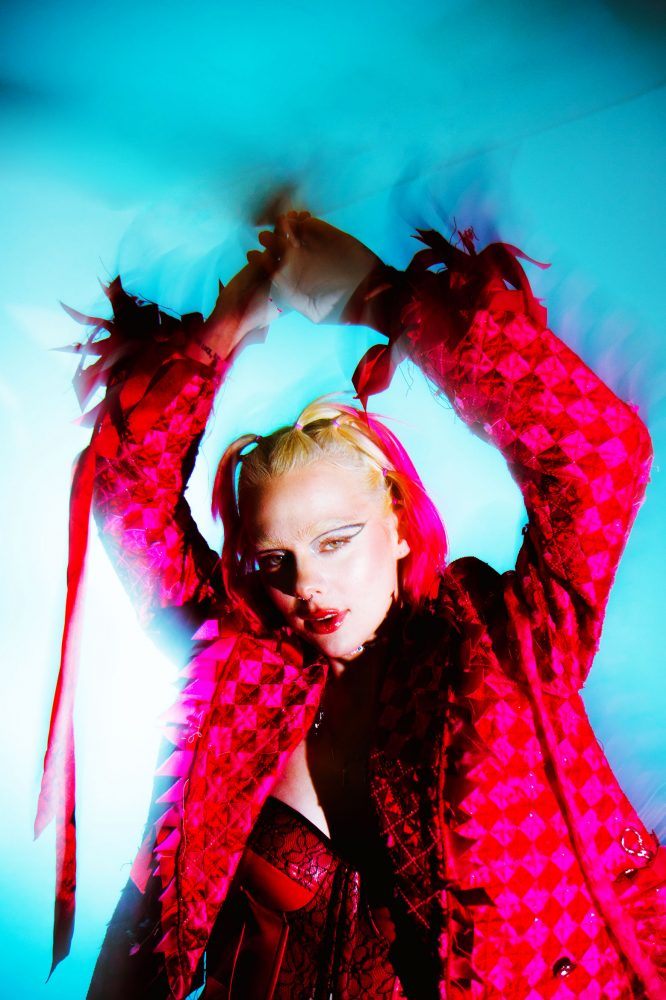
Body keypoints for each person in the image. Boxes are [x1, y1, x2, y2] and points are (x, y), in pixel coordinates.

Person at [39, 213, 664, 998]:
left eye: (335, 542)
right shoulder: (242, 675)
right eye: (276, 560)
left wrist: (383, 301)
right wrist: (224, 328)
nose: (306, 584)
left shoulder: (504, 645)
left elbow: (600, 454)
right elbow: (129, 493)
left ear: (399, 525)